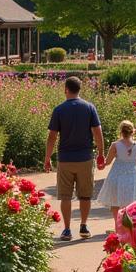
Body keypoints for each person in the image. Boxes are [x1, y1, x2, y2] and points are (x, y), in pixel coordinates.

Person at [45, 76, 105, 240]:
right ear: (79, 90)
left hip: (65, 159)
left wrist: (47, 158)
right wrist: (101, 153)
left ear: (66, 89)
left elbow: (52, 136)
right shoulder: (89, 107)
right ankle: (84, 226)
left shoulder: (59, 110)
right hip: (85, 158)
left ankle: (66, 229)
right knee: (85, 195)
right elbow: (98, 133)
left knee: (65, 196)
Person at [97, 120, 136, 219]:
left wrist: (102, 165)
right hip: (132, 176)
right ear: (133, 131)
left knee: (115, 202)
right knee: (131, 202)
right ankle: (128, 227)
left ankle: (117, 226)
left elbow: (108, 162)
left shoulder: (115, 145)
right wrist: (132, 163)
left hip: (117, 175)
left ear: (121, 131)